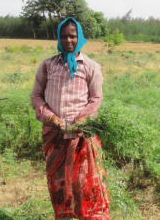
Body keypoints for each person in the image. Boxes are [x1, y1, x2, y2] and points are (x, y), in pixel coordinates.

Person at [30, 17, 109, 220]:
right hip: (55, 137)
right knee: (59, 185)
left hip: (82, 137)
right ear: (58, 38)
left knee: (84, 184)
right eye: (64, 36)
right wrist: (51, 119)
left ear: (79, 37)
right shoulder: (48, 66)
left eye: (72, 36)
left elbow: (96, 99)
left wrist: (83, 120)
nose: (68, 40)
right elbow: (36, 96)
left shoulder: (91, 67)